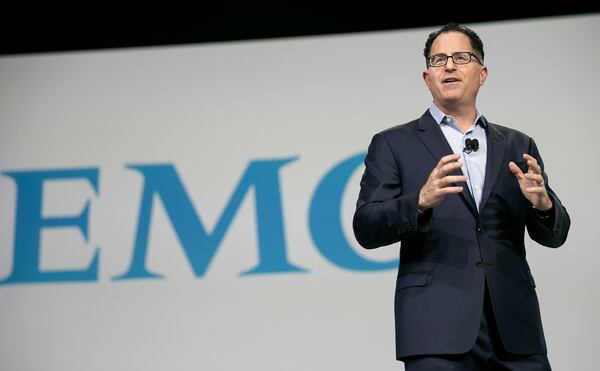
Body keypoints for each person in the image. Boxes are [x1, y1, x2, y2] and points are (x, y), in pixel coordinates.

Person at [352, 23, 570, 370]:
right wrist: (420, 201)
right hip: (436, 331)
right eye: (438, 60)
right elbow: (366, 227)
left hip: (516, 331)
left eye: (461, 57)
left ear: (482, 73)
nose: (449, 66)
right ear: (427, 78)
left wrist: (543, 205)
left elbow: (555, 235)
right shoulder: (394, 143)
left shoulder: (517, 144)